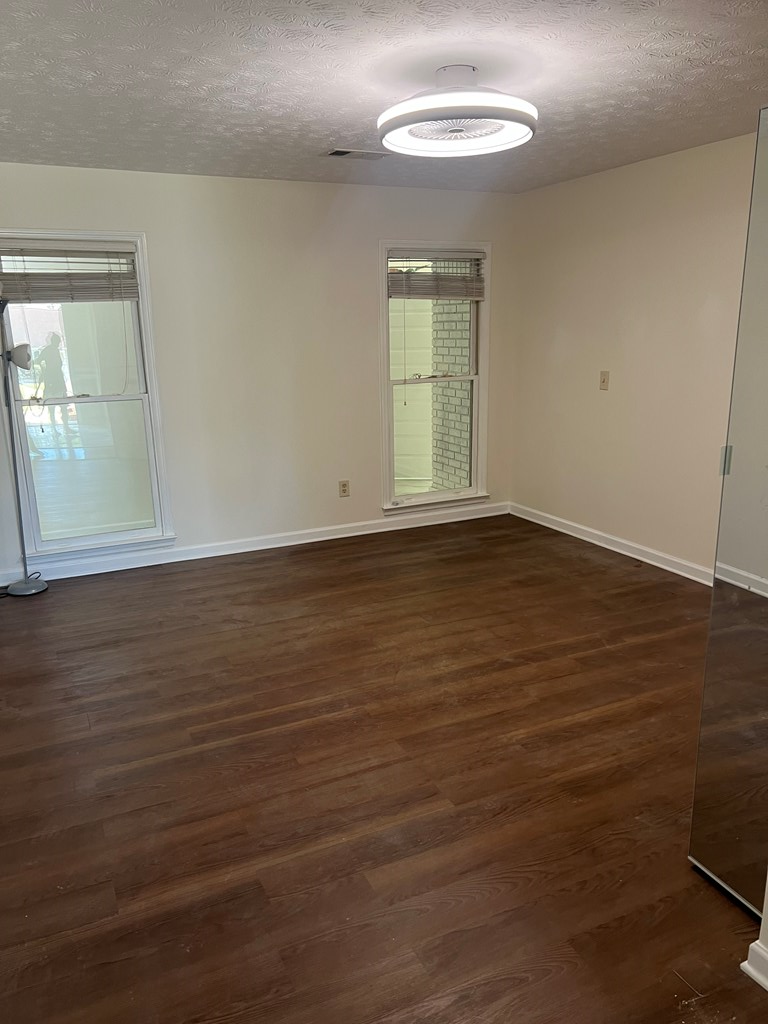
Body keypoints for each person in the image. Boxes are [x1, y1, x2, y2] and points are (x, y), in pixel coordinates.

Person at [38, 332, 69, 435]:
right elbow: (38, 361)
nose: (59, 344)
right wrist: (44, 371)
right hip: (51, 380)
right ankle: (54, 429)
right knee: (51, 406)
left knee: (63, 404)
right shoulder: (48, 350)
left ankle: (66, 427)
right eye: (58, 342)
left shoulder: (54, 350)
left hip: (58, 379)